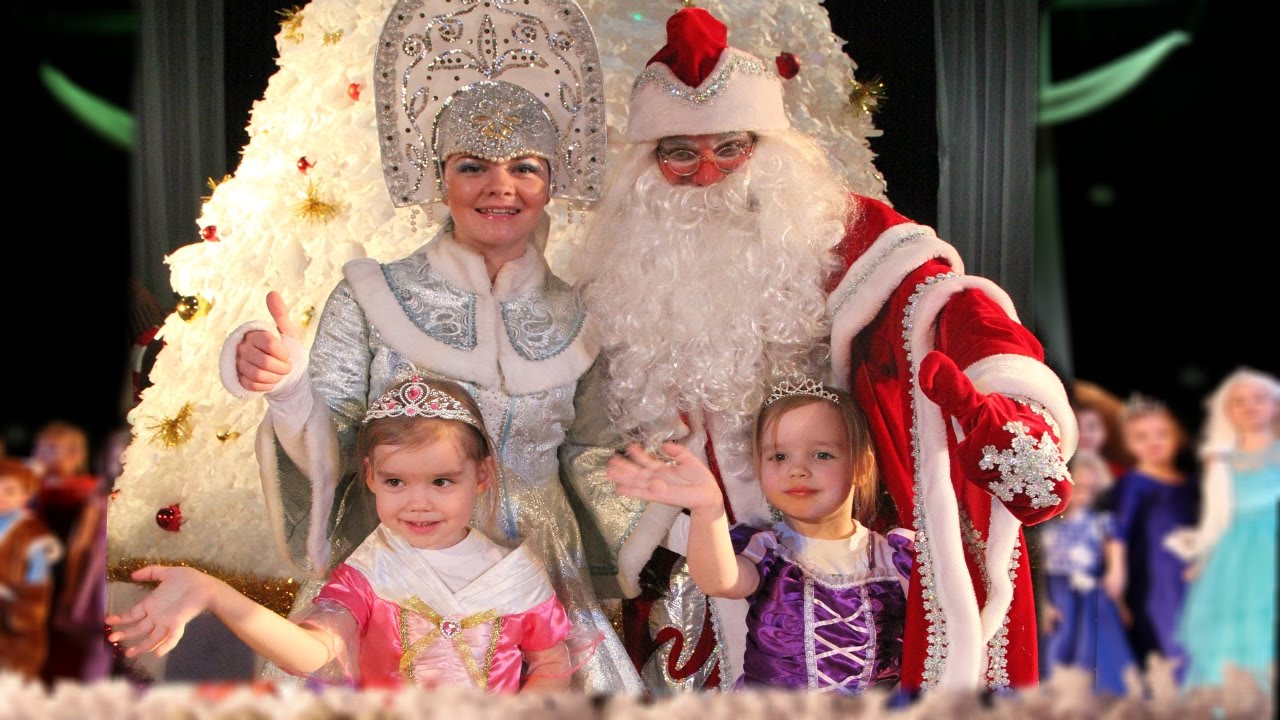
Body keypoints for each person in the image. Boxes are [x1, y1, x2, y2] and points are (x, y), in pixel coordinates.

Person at [563, 6, 1076, 693]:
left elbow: (946, 301)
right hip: (694, 565)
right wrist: (670, 521)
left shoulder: (839, 234)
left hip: (850, 548)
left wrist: (1006, 406)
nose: (708, 174)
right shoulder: (616, 275)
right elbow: (584, 443)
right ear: (648, 165)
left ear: (767, 151)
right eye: (680, 152)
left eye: (730, 147)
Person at [216, 0, 639, 695]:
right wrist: (289, 389)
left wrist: (687, 512)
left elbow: (596, 455)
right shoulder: (372, 296)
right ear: (439, 177)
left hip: (540, 580)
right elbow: (334, 446)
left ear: (551, 181)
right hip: (394, 575)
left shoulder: (584, 315)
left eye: (525, 167)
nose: (500, 186)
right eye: (473, 166)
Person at [109, 375, 583, 693]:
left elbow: (550, 663)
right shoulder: (370, 573)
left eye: (441, 481)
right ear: (371, 476)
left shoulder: (516, 575)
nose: (418, 502)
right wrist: (216, 594)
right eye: (396, 482)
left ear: (481, 476)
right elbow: (312, 653)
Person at [606, 376, 913, 694]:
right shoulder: (767, 549)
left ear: (861, 466)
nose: (797, 469)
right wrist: (708, 508)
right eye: (779, 457)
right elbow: (720, 581)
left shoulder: (895, 557)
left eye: (821, 454)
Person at [1166, 368, 1279, 691]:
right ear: (1227, 410)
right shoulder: (1219, 458)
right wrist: (1204, 556)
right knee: (1235, 630)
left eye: (1259, 399)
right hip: (1237, 553)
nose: (1250, 407)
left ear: (1275, 404)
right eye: (1239, 401)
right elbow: (1215, 514)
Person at [1103, 395, 1197, 682]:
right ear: (1126, 444)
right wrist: (1116, 571)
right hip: (1156, 577)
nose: (1153, 442)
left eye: (1161, 434)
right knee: (1166, 638)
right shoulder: (1134, 483)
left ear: (1177, 436)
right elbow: (1117, 530)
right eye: (1140, 437)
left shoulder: (1194, 483)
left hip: (1193, 572)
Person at [1038, 451, 1136, 696]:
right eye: (1078, 487)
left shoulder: (1101, 523)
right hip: (1059, 597)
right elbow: (1041, 571)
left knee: (1099, 654)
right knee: (1058, 650)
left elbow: (1114, 567)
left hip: (1092, 598)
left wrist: (1119, 598)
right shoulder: (1047, 524)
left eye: (1090, 490)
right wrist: (1044, 603)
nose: (1083, 496)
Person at [29, 420, 102, 684]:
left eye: (50, 448)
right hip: (31, 573)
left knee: (62, 644)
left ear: (75, 453)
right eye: (39, 447)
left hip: (68, 573)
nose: (41, 454)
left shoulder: (87, 490)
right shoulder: (28, 486)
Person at [0, 458, 61, 680]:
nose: (1, 496)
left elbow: (38, 580)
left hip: (11, 621)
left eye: (9, 491)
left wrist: (25, 613)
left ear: (25, 496)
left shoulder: (32, 532)